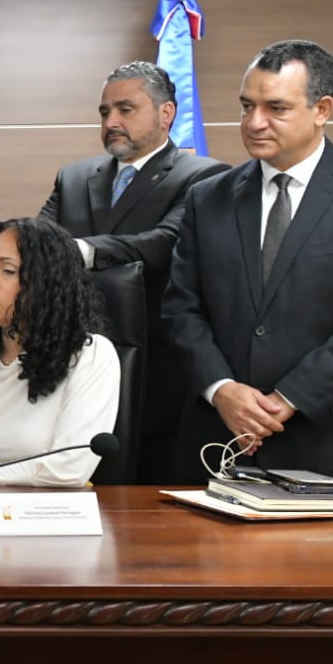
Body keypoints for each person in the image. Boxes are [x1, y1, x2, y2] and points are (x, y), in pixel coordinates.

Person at [162, 39, 333, 485]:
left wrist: (288, 398)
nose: (254, 122)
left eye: (276, 108)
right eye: (247, 106)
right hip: (222, 447)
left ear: (322, 110)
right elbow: (181, 310)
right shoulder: (207, 198)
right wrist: (222, 390)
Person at [39, 61, 229, 482]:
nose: (112, 122)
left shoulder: (205, 176)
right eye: (105, 112)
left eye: (126, 109)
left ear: (166, 114)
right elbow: (38, 247)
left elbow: (167, 241)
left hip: (155, 377)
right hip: (67, 370)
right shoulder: (73, 178)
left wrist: (83, 250)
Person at [0, 218, 120, 487]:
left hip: (51, 509)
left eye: (8, 270)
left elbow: (70, 468)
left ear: (47, 283)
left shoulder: (91, 356)